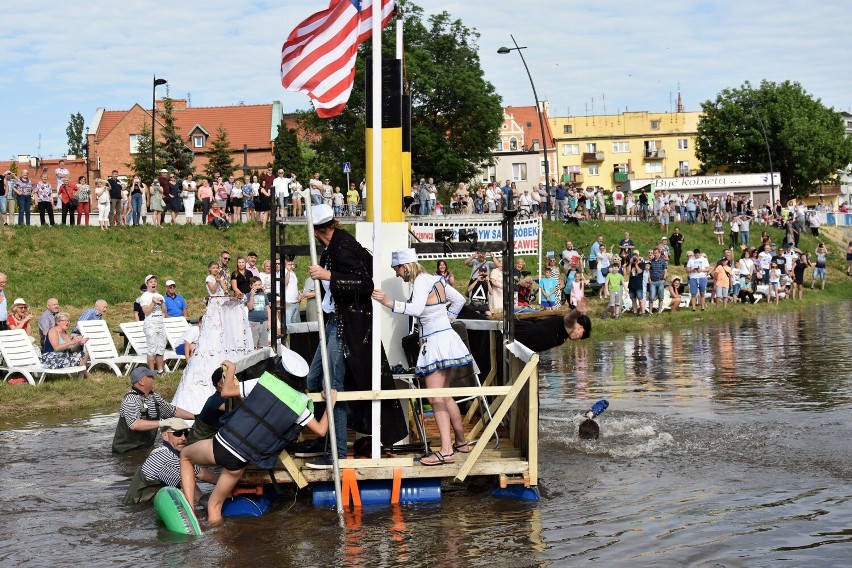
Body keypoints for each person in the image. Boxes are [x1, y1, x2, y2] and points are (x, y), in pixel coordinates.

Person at [293, 204, 408, 469]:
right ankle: (324, 440)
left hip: (346, 325)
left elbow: (365, 284)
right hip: (335, 321)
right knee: (313, 379)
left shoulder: (342, 247)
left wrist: (327, 275)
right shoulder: (334, 247)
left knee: (334, 387)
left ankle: (338, 451)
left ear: (317, 229)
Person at [180, 359, 335, 525]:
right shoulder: (300, 404)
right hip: (240, 461)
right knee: (214, 505)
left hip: (222, 445)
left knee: (185, 456)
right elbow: (321, 430)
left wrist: (231, 369)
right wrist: (330, 402)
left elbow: (226, 392)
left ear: (279, 370)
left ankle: (190, 511)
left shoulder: (264, 383)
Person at [371, 248, 473, 466]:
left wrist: (389, 303)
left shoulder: (419, 281)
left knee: (435, 397)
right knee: (444, 396)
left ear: (405, 266)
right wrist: (446, 319)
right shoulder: (436, 279)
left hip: (435, 344)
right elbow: (459, 300)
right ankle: (461, 443)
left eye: (397, 269)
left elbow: (416, 309)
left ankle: (446, 451)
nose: (398, 274)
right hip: (446, 339)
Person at [123, 417, 219, 505]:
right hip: (138, 507)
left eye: (186, 433)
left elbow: (200, 473)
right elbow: (185, 483)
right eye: (177, 433)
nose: (183, 438)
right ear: (165, 436)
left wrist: (227, 483)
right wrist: (205, 502)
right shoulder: (162, 457)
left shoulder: (178, 456)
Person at [112, 366, 194, 454]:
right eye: (150, 377)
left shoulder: (154, 397)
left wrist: (196, 417)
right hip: (126, 452)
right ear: (141, 381)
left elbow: (173, 411)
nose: (154, 379)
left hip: (145, 448)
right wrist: (162, 423)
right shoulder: (130, 399)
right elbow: (134, 424)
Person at [514, 299, 592, 352]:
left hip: (525, 344)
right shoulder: (568, 325)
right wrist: (578, 311)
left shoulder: (564, 337)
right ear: (580, 327)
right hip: (523, 332)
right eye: (580, 336)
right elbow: (570, 318)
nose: (577, 339)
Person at [139, 275, 169, 373]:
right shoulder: (144, 296)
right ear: (147, 284)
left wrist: (162, 302)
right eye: (151, 282)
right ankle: (151, 372)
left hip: (160, 323)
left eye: (155, 281)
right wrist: (152, 303)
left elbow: (164, 311)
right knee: (152, 348)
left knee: (161, 348)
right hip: (150, 324)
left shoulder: (160, 295)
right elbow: (146, 312)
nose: (153, 283)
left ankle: (160, 370)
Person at [246, 276, 271, 348]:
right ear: (251, 286)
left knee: (263, 344)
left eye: (259, 284)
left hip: (264, 322)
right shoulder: (248, 295)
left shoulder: (264, 295)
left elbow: (268, 308)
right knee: (253, 343)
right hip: (254, 322)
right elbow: (250, 308)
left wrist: (269, 322)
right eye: (255, 285)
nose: (257, 286)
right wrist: (252, 296)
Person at [282, 257, 301, 323]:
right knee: (288, 324)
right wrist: (288, 271)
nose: (291, 263)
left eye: (291, 261)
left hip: (296, 302)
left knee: (296, 325)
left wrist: (299, 294)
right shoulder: (284, 271)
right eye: (288, 261)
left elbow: (295, 286)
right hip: (288, 302)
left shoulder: (293, 273)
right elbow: (285, 283)